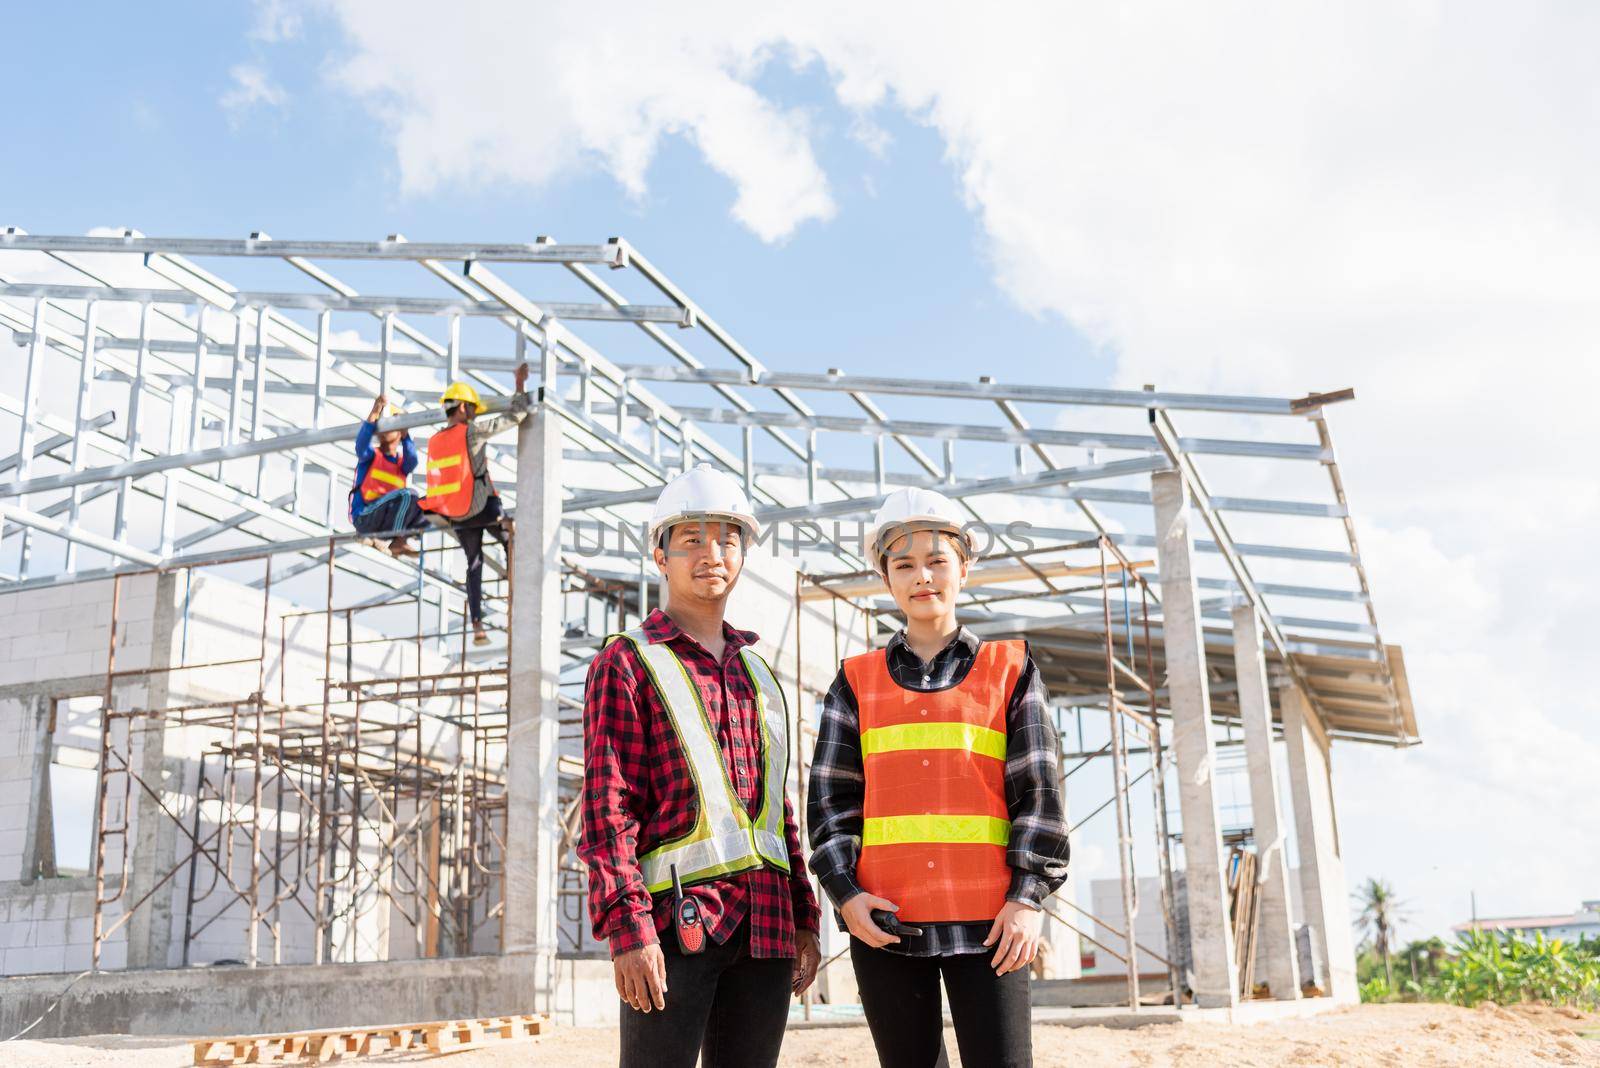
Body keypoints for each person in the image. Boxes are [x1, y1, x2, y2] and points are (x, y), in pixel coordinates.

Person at [807, 487, 1070, 1068]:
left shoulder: (1011, 671)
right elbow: (831, 803)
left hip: (994, 926)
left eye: (937, 561)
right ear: (885, 577)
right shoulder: (855, 681)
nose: (922, 576)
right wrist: (846, 896)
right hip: (886, 924)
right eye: (904, 564)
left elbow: (1040, 792)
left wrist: (1028, 899)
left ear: (964, 567)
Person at [578, 464, 822, 1068]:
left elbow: (776, 808)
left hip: (766, 927)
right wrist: (628, 932)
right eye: (691, 539)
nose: (711, 553)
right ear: (660, 557)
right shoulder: (629, 662)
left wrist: (805, 915)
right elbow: (607, 810)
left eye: (727, 538)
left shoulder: (759, 673)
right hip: (673, 928)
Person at [419, 364, 530, 645]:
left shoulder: (434, 441)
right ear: (463, 408)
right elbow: (517, 414)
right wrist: (519, 386)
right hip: (482, 506)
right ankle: (520, 607)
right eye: (472, 408)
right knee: (510, 542)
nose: (474, 413)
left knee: (474, 562)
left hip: (454, 512)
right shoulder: (470, 432)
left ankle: (478, 626)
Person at [349, 394, 423, 558]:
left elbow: (413, 460)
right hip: (365, 517)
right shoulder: (371, 455)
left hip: (383, 523)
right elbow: (361, 445)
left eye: (391, 426)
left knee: (428, 504)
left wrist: (406, 435)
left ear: (399, 434)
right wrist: (375, 412)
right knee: (407, 494)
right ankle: (396, 538)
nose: (385, 430)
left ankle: (400, 539)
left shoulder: (401, 464)